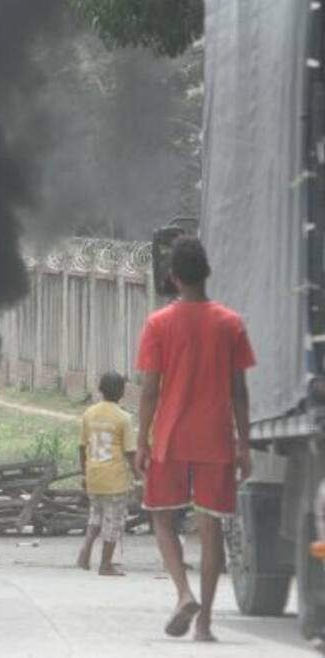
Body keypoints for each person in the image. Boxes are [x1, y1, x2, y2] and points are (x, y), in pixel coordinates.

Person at [136, 236, 255, 643]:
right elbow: (239, 391)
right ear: (207, 272)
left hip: (170, 438)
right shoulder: (230, 323)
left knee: (160, 517)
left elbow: (150, 389)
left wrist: (142, 439)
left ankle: (183, 593)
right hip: (216, 441)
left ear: (171, 277)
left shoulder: (159, 324)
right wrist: (244, 444)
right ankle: (204, 625)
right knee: (211, 531)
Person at [76, 371, 138, 577]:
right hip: (115, 480)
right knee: (113, 522)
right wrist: (139, 476)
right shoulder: (123, 418)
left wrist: (84, 473)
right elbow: (130, 452)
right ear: (121, 392)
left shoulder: (89, 413)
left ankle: (85, 552)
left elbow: (81, 446)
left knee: (95, 516)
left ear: (100, 389)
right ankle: (105, 564)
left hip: (94, 475)